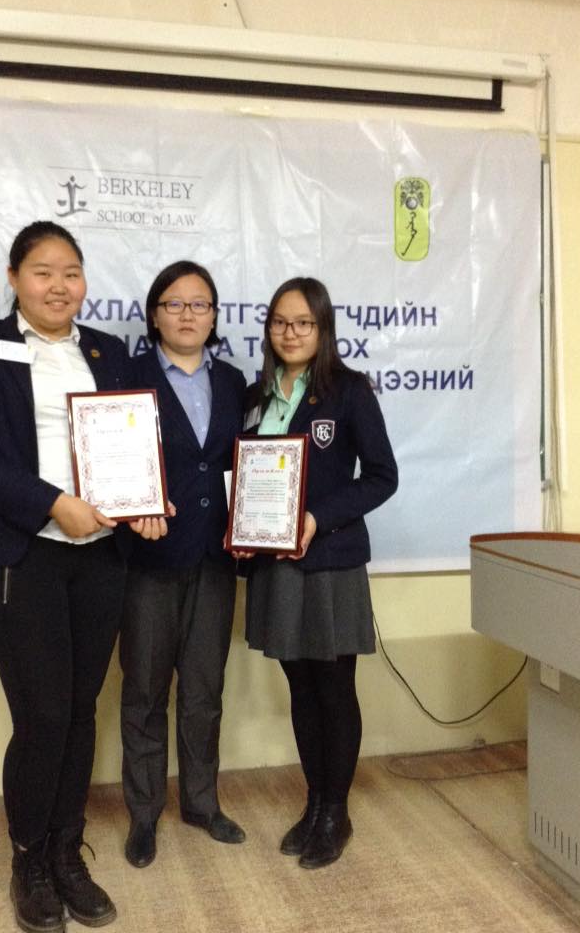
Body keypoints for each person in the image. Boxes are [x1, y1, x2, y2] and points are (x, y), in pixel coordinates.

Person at [0, 221, 167, 933]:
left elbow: (136, 443)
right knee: (42, 715)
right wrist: (51, 503)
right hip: (23, 554)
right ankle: (29, 858)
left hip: (98, 557)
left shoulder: (107, 351)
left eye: (71, 272)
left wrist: (144, 502)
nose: (59, 286)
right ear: (14, 279)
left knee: (80, 709)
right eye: (43, 271)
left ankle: (68, 852)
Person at [239, 277, 398, 870]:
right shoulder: (256, 396)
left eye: (304, 323)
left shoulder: (349, 390)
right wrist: (241, 532)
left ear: (323, 328)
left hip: (329, 560)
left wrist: (316, 518)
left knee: (334, 687)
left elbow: (381, 477)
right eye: (280, 322)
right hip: (274, 565)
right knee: (300, 687)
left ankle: (336, 811)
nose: (291, 332)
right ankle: (313, 804)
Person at [119, 261, 247, 869]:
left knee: (204, 690)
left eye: (200, 304)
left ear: (214, 316)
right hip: (149, 557)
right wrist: (130, 509)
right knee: (144, 691)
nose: (188, 314)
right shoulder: (128, 376)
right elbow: (111, 460)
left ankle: (201, 803)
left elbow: (244, 462)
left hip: (216, 557)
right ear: (154, 314)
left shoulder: (235, 381)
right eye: (174, 304)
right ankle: (144, 814)